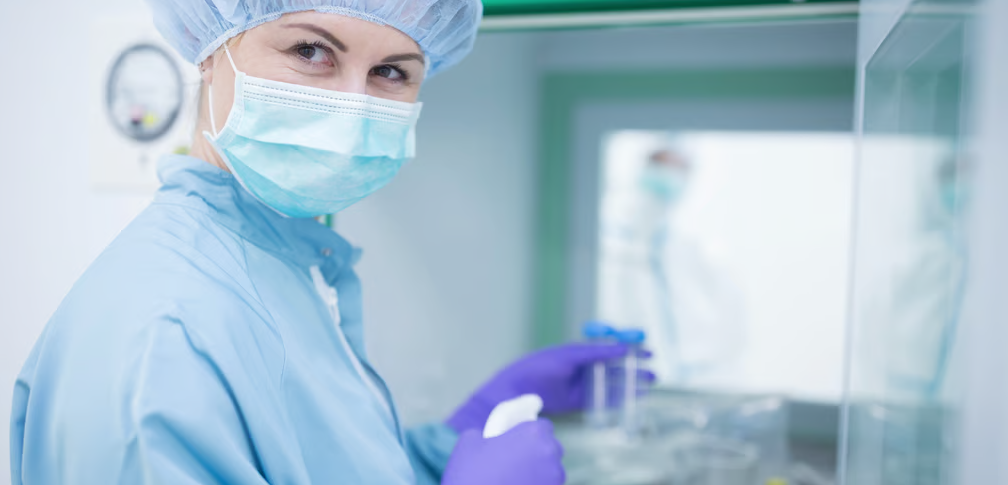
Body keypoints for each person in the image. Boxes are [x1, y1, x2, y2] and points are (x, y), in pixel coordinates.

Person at [9, 2, 650, 484]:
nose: (351, 106)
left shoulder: (282, 267)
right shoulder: (164, 332)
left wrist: (465, 431)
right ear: (209, 51)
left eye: (391, 71)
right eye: (311, 50)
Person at [597, 140, 744, 386]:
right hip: (621, 380)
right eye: (660, 163)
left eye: (680, 167)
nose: (668, 175)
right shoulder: (608, 239)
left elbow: (732, 329)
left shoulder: (695, 248)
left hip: (689, 384)